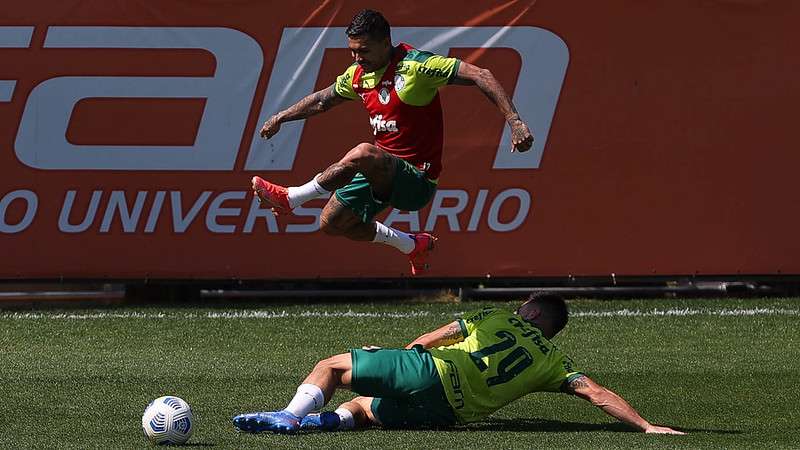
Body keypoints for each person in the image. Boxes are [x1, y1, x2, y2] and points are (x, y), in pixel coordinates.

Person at [251, 9, 534, 275]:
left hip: (417, 180)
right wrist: (281, 117)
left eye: (363, 50)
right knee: (333, 223)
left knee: (363, 152)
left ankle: (292, 197)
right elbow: (323, 100)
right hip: (380, 172)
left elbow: (481, 75)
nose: (356, 57)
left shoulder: (417, 66)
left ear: (385, 42)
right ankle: (413, 245)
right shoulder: (358, 75)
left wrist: (515, 121)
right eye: (352, 50)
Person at [232, 294, 685, 435]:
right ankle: (324, 424)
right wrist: (646, 426)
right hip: (452, 414)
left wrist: (400, 356)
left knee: (331, 367)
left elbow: (435, 337)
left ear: (530, 312)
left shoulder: (500, 315)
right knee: (368, 408)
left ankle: (290, 417)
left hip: (435, 373)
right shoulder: (553, 360)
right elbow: (596, 393)